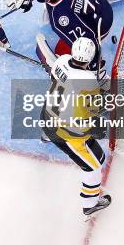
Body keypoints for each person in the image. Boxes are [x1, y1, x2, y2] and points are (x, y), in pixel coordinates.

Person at [40, 37, 112, 217]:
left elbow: (58, 77)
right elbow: (94, 110)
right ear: (89, 58)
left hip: (47, 116)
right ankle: (90, 204)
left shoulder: (61, 60)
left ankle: (45, 136)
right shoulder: (88, 80)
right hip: (65, 133)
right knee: (94, 167)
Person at [7, 0, 124, 68]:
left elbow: (88, 39)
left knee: (63, 49)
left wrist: (94, 64)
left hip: (101, 26)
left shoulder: (61, 18)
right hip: (102, 5)